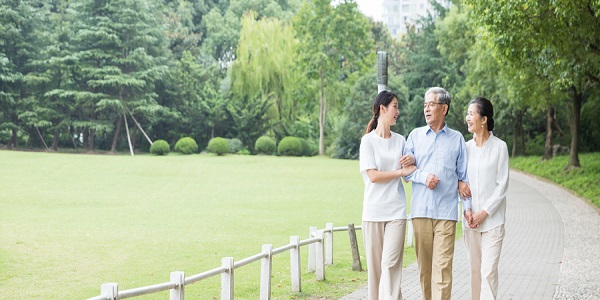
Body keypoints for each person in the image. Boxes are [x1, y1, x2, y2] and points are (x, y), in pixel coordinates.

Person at [402, 87, 468, 300]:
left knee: (442, 270)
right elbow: (406, 172)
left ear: (444, 108)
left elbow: (463, 177)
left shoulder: (457, 139)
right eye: (425, 105)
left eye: (431, 104)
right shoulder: (414, 136)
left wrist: (466, 207)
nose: (427, 109)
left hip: (446, 214)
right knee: (425, 271)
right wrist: (423, 176)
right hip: (421, 211)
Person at [359, 90, 417, 300]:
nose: (398, 112)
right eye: (395, 106)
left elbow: (408, 177)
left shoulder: (401, 140)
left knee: (390, 266)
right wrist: (401, 171)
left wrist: (411, 162)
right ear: (382, 108)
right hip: (373, 213)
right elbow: (373, 176)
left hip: (396, 212)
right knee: (376, 273)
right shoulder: (368, 141)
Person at [461, 97, 509, 300]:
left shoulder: (500, 147)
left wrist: (483, 213)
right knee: (475, 272)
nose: (467, 118)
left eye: (472, 114)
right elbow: (461, 182)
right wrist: (468, 210)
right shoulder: (465, 148)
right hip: (470, 221)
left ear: (484, 119)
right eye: (468, 114)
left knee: (488, 272)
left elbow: (502, 186)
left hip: (492, 222)